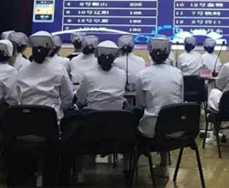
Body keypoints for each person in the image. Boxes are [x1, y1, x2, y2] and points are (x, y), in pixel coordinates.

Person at [136, 36, 184, 176]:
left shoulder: (142, 75)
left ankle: (132, 165)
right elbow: (180, 102)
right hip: (175, 128)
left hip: (151, 129)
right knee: (166, 117)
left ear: (149, 53)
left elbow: (140, 105)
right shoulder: (178, 73)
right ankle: (164, 162)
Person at [15, 32, 73, 121]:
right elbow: (68, 98)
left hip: (25, 120)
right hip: (51, 121)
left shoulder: (22, 70)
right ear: (50, 50)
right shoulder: (59, 69)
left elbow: (16, 97)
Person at [76, 40, 126, 111]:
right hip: (117, 116)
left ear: (97, 57)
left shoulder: (88, 75)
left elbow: (81, 99)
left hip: (93, 116)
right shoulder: (122, 74)